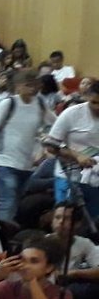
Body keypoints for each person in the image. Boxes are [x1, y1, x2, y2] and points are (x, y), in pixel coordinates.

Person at [0, 69, 55, 222]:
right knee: (8, 200)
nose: (33, 89)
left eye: (35, 85)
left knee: (16, 202)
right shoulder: (8, 104)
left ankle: (8, 233)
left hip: (26, 164)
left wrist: (41, 149)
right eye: (28, 85)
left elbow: (56, 124)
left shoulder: (40, 104)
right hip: (4, 162)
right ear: (18, 86)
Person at [43, 82, 99, 221]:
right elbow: (51, 145)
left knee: (92, 222)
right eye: (94, 102)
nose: (98, 107)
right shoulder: (72, 114)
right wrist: (76, 155)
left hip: (95, 179)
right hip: (68, 175)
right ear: (87, 96)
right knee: (65, 219)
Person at [49, 204, 99, 299]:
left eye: (66, 219)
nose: (60, 222)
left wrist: (74, 273)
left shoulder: (84, 243)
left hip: (72, 289)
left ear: (77, 223)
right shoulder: (44, 242)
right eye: (57, 218)